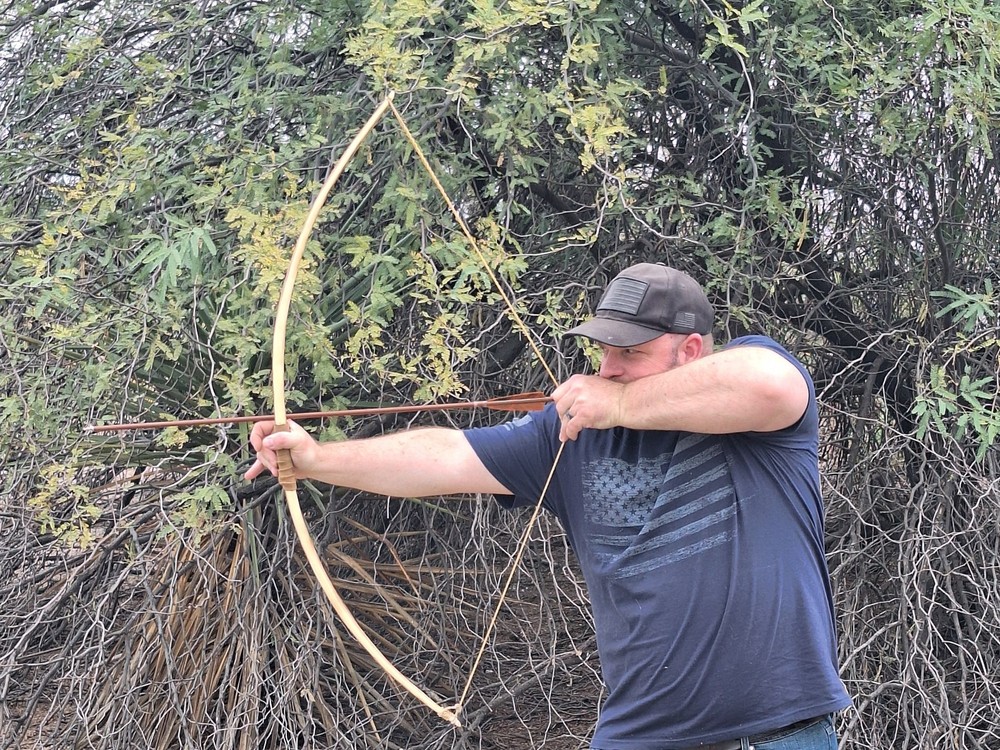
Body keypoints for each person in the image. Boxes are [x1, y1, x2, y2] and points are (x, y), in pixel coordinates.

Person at [246, 262, 852, 750]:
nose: (608, 369)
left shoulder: (756, 416)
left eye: (630, 354)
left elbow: (770, 382)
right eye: (602, 351)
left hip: (776, 731)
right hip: (641, 735)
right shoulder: (569, 434)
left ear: (690, 350)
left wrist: (618, 406)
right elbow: (446, 457)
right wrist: (317, 457)